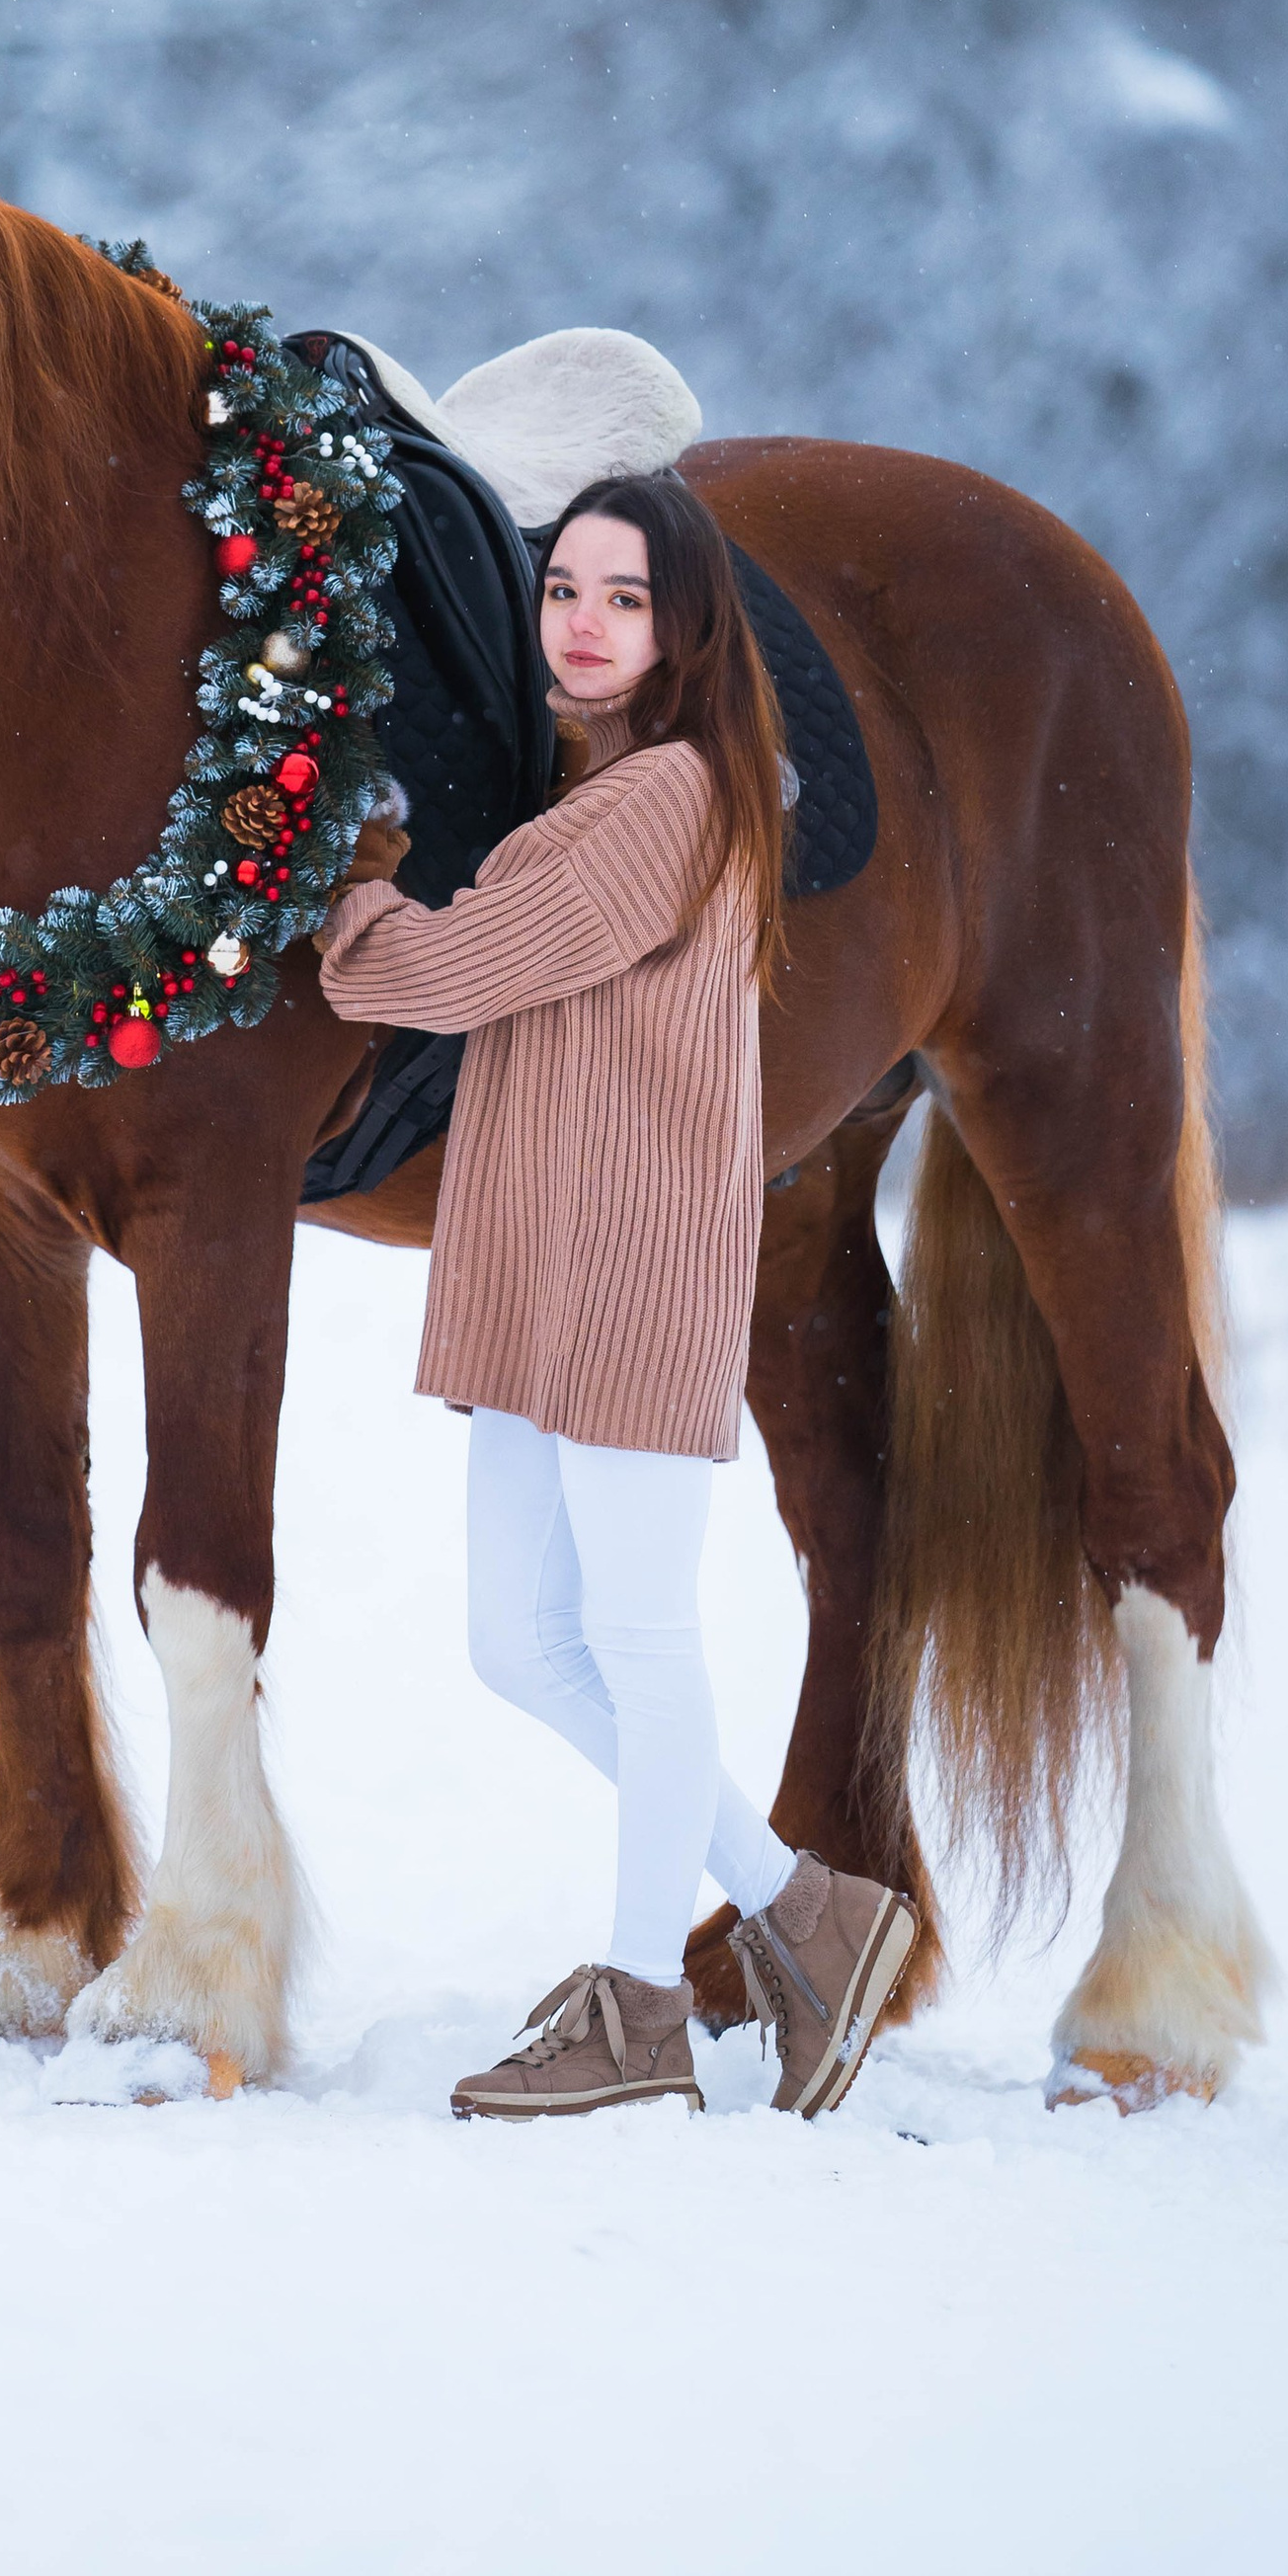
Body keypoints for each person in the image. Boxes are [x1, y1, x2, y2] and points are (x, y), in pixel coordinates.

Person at [314, 472, 917, 2121]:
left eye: (622, 598)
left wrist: (341, 898)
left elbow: (452, 973)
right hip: (535, 1264)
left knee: (641, 1637)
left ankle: (646, 2007)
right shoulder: (603, 789)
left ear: (685, 626)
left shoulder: (670, 797)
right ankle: (807, 1910)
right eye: (561, 588)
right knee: (520, 1641)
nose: (578, 623)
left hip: (636, 1265)